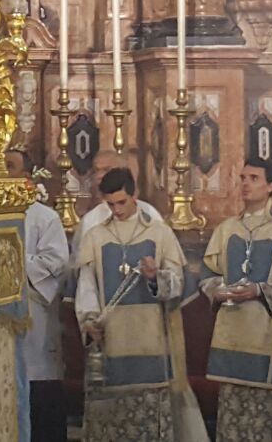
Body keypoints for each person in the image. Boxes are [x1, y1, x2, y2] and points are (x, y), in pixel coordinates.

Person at [75, 168, 206, 442]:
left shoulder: (159, 234)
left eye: (122, 202)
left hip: (151, 343)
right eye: (110, 204)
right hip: (112, 342)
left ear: (134, 195)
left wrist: (155, 277)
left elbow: (178, 285)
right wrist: (88, 321)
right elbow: (86, 286)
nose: (117, 210)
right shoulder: (95, 237)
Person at [200, 159, 272, 441]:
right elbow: (208, 274)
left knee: (268, 423)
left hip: (269, 339)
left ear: (271, 185)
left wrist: (259, 291)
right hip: (233, 337)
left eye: (253, 178)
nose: (245, 183)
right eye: (242, 178)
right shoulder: (226, 230)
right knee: (234, 418)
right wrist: (219, 290)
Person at [9, 148, 72, 442]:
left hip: (34, 320)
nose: (2, 175)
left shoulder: (43, 217)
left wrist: (10, 261)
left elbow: (56, 264)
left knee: (40, 404)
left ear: (26, 178)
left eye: (9, 168)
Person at [72, 150, 161, 255]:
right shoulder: (91, 218)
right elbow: (80, 258)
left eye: (106, 169)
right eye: (96, 171)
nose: (100, 175)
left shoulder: (149, 212)